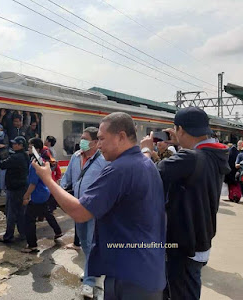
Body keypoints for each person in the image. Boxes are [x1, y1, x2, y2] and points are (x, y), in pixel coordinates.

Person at [33, 112, 166, 299]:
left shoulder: (119, 169)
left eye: (102, 139)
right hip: (148, 268)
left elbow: (80, 213)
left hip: (128, 275)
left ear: (121, 136)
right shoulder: (145, 163)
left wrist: (48, 180)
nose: (99, 144)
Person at [140, 107, 230, 299]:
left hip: (184, 243)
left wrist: (146, 150)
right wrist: (182, 144)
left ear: (180, 129)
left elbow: (147, 174)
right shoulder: (214, 155)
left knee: (182, 293)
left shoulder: (190, 158)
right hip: (200, 238)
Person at [59, 127, 108, 298]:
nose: (82, 142)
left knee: (91, 243)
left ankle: (89, 282)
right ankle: (92, 271)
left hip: (94, 209)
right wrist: (58, 191)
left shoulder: (103, 160)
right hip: (77, 208)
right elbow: (67, 180)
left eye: (85, 139)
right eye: (81, 138)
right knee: (85, 244)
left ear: (95, 143)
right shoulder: (75, 157)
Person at [22, 138, 63, 253]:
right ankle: (58, 231)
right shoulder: (41, 160)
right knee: (47, 212)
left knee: (29, 220)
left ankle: (32, 245)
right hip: (44, 193)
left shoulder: (34, 164)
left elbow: (33, 184)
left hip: (38, 195)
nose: (28, 149)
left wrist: (26, 196)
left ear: (37, 149)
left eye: (30, 147)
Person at [0, 136, 29, 243]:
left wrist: (1, 151)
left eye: (15, 144)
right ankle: (23, 233)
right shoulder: (25, 155)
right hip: (22, 188)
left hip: (14, 189)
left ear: (20, 145)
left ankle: (8, 236)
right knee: (20, 213)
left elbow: (2, 165)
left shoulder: (16, 157)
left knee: (11, 213)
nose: (13, 145)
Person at [0, 124, 9, 196]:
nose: (0, 131)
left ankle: (2, 189)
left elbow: (7, 144)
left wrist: (3, 146)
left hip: (3, 157)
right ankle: (0, 189)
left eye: (1, 130)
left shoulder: (5, 136)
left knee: (2, 175)